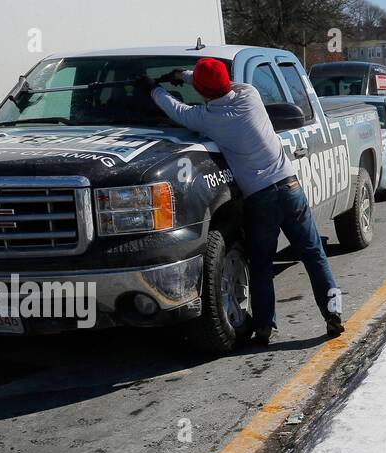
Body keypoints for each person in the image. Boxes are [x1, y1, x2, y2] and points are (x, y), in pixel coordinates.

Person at [143, 58, 343, 343]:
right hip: (290, 187)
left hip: (260, 198)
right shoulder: (250, 94)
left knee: (261, 264)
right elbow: (219, 85)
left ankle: (264, 327)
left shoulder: (207, 119)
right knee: (313, 254)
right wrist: (185, 75)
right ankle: (333, 312)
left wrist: (154, 88)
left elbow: (175, 109)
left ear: (202, 91)